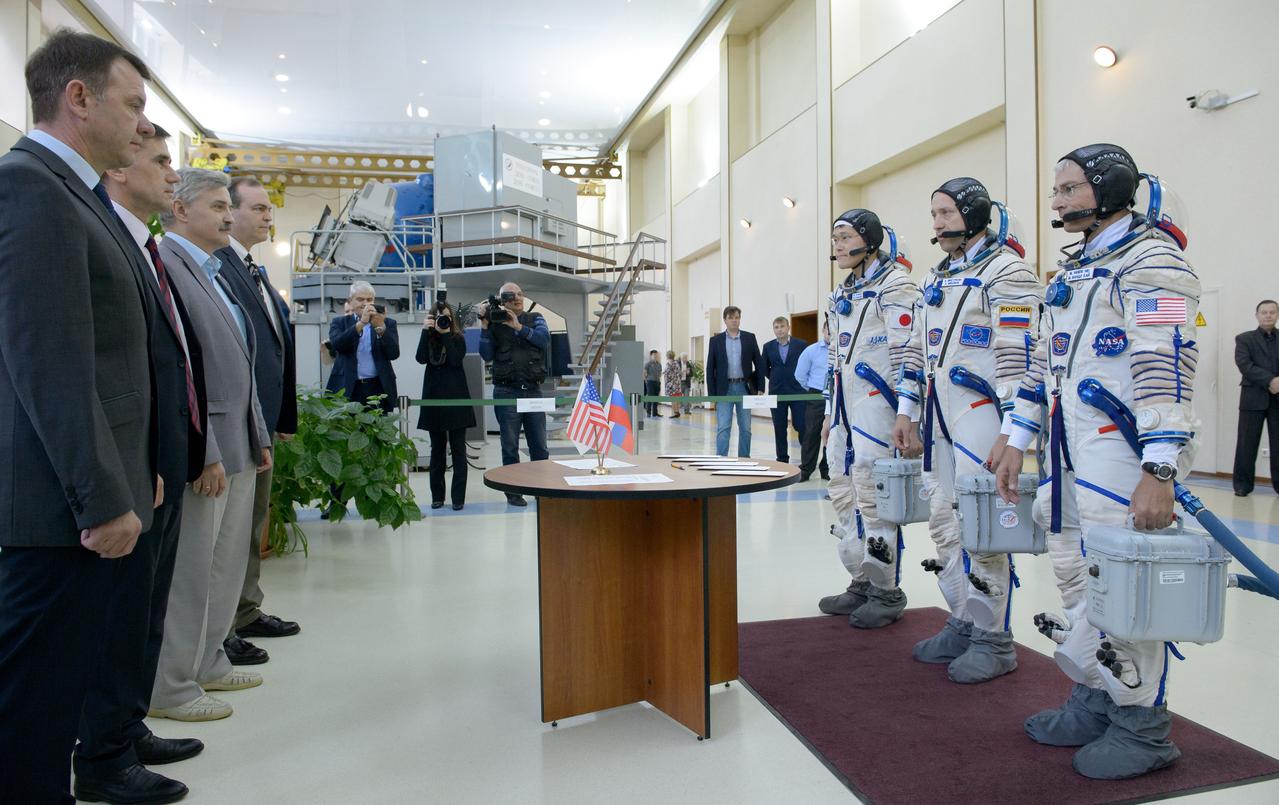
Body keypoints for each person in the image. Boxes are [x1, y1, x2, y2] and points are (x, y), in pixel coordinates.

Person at [994, 144, 1200, 780]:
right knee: (1076, 573)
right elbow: (1040, 364)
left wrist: (1159, 467)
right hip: (1069, 450)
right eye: (1056, 191)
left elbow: (1166, 365)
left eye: (1070, 189)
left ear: (1110, 188)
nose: (1057, 201)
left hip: (1125, 451)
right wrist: (1015, 435)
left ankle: (1143, 726)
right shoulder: (1073, 271)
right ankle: (1097, 694)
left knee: (1123, 583)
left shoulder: (1154, 263)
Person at [0, 29, 159, 805]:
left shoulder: (75, 194)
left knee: (54, 697)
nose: (140, 124)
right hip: (59, 512)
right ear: (79, 97)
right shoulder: (30, 187)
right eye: (132, 105)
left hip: (83, 501)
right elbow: (50, 361)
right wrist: (101, 496)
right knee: (31, 714)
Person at [75, 125, 210, 804]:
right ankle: (103, 754)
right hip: (131, 462)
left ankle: (127, 726)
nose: (171, 175)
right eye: (160, 160)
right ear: (123, 168)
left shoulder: (143, 246)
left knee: (146, 608)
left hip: (161, 456)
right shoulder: (103, 235)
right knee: (119, 616)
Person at [892, 178, 1042, 682]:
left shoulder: (1008, 272)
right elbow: (916, 348)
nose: (936, 223)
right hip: (941, 417)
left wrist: (1013, 432)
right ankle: (963, 617)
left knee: (982, 530)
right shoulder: (939, 277)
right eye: (933, 214)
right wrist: (906, 410)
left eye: (946, 213)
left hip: (983, 416)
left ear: (975, 213)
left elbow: (1018, 356)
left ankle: (994, 638)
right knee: (943, 518)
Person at [153, 168, 273, 723]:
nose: (230, 216)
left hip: (239, 441)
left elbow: (239, 361)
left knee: (224, 566)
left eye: (231, 206)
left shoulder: (212, 269)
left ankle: (209, 661)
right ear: (181, 210)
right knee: (193, 570)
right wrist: (204, 449)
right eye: (219, 206)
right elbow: (183, 369)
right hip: (210, 451)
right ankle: (171, 684)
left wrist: (257, 434)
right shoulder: (169, 266)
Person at [817, 209, 919, 629]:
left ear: (869, 240)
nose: (838, 246)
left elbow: (908, 356)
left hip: (880, 403)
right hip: (845, 406)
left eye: (844, 238)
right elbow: (833, 360)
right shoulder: (842, 294)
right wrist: (828, 412)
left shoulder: (896, 287)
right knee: (842, 489)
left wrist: (908, 414)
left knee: (873, 493)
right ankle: (860, 578)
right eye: (835, 239)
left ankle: (886, 589)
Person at [217, 176, 300, 668]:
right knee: (230, 533)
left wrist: (281, 416)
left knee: (252, 525)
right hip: (237, 425)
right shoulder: (219, 266)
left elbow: (276, 348)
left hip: (262, 422)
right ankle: (223, 626)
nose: (269, 216)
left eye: (270, 209)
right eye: (260, 208)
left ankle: (246, 610)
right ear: (230, 211)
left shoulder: (256, 270)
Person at [479, 282, 550, 507]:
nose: (517, 298)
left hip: (533, 391)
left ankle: (542, 489)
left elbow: (543, 339)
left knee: (539, 445)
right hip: (506, 391)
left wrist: (518, 326)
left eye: (520, 294)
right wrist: (484, 325)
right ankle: (513, 492)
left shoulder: (536, 317)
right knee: (509, 446)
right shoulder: (494, 323)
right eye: (511, 296)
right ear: (502, 300)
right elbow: (486, 354)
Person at [417, 301, 476, 510]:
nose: (443, 320)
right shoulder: (428, 338)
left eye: (446, 317)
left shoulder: (458, 339)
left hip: (457, 399)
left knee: (459, 450)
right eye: (439, 317)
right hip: (434, 399)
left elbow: (454, 360)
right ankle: (437, 497)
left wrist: (444, 333)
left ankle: (458, 498)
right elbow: (420, 358)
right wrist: (426, 331)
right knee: (437, 451)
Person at [329, 281, 400, 414]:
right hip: (349, 386)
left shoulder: (388, 323)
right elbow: (338, 345)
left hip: (378, 387)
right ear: (350, 301)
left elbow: (394, 354)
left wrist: (381, 328)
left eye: (369, 299)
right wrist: (361, 323)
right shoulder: (339, 322)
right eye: (360, 299)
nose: (365, 304)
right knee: (349, 431)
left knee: (378, 431)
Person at [1232, 299, 1279, 495]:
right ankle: (1242, 486)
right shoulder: (1244, 339)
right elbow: (1244, 365)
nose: (1268, 315)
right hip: (1252, 399)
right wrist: (1270, 380)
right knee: (1246, 444)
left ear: (1277, 315)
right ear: (1257, 315)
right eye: (1264, 312)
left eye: (1272, 312)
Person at [706, 306, 764, 457]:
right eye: (730, 317)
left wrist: (760, 387)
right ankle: (721, 459)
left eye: (737, 317)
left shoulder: (749, 338)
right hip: (724, 389)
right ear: (725, 320)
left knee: (746, 428)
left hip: (744, 388)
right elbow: (710, 368)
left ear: (740, 319)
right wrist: (712, 395)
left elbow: (759, 363)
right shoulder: (715, 340)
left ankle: (744, 459)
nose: (734, 320)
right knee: (723, 427)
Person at [762, 317, 809, 463]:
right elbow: (764, 368)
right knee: (779, 428)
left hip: (798, 392)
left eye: (782, 326)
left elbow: (807, 365)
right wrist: (777, 378)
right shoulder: (768, 347)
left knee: (802, 425)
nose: (779, 329)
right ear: (774, 329)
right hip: (777, 392)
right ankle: (782, 459)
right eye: (776, 327)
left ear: (788, 327)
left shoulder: (801, 345)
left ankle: (807, 459)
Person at [795, 324, 831, 483]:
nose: (831, 333)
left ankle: (827, 468)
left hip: (838, 396)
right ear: (823, 331)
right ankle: (806, 469)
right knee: (811, 432)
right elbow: (800, 375)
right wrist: (813, 388)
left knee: (834, 434)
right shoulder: (811, 351)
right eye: (828, 330)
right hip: (817, 395)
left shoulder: (843, 349)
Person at [663, 350, 683, 418]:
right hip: (677, 384)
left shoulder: (669, 364)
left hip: (671, 385)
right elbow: (680, 374)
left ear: (667, 356)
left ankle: (675, 412)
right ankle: (677, 411)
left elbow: (667, 374)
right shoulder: (676, 363)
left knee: (673, 399)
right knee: (676, 399)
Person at [644, 350, 663, 417]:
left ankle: (655, 412)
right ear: (651, 356)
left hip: (657, 382)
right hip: (650, 382)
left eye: (656, 355)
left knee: (656, 397)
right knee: (650, 396)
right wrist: (646, 380)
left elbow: (660, 373)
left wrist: (658, 379)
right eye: (654, 355)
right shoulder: (648, 364)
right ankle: (648, 412)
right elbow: (644, 373)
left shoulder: (659, 364)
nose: (655, 356)